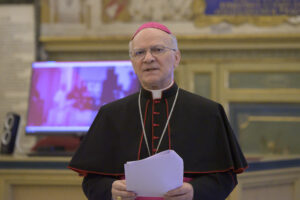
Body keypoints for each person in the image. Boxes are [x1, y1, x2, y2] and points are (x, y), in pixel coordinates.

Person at [68, 22, 248, 200]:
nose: (148, 58)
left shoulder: (208, 112)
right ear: (133, 62)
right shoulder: (111, 114)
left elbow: (226, 177)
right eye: (139, 53)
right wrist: (110, 189)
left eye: (157, 50)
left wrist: (195, 191)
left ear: (176, 58)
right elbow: (91, 181)